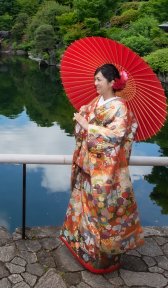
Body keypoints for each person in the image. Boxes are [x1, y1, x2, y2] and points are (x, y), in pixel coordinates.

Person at [61, 63, 144, 274]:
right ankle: (83, 250)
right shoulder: (97, 101)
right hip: (88, 167)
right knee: (83, 210)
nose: (95, 83)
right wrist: (82, 117)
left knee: (102, 214)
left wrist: (88, 125)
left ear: (112, 82)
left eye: (99, 79)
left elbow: (116, 136)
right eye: (95, 79)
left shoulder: (120, 108)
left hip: (104, 173)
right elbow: (86, 119)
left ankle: (103, 260)